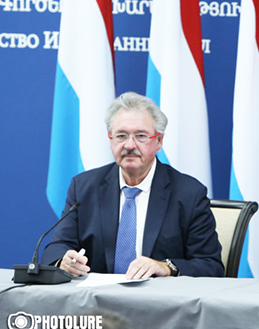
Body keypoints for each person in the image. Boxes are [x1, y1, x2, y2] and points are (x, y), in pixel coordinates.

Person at [42, 92, 224, 279]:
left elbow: (210, 266)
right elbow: (56, 248)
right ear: (110, 139)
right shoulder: (84, 188)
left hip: (160, 303)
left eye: (140, 136)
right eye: (121, 135)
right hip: (96, 303)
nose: (130, 145)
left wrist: (166, 267)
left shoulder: (188, 194)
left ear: (159, 141)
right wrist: (63, 260)